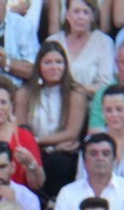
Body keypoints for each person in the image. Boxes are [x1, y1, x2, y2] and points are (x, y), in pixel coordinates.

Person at [17, 41, 87, 197]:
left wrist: (44, 144)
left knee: (58, 163)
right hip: (33, 149)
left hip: (63, 154)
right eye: (48, 62)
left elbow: (71, 134)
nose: (54, 67)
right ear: (39, 66)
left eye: (59, 62)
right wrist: (38, 143)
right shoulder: (25, 93)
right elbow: (21, 130)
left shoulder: (76, 93)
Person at [47, 0, 115, 96]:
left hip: (89, 103)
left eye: (86, 12)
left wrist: (75, 88)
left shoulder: (104, 42)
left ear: (92, 17)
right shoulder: (53, 41)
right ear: (66, 14)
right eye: (76, 11)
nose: (80, 17)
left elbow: (105, 84)